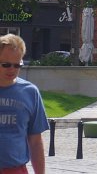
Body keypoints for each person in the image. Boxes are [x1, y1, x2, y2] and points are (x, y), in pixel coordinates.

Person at [0, 33, 48, 174]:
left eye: (17, 65)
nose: (12, 69)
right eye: (6, 64)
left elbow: (35, 141)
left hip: (16, 170)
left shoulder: (30, 92)